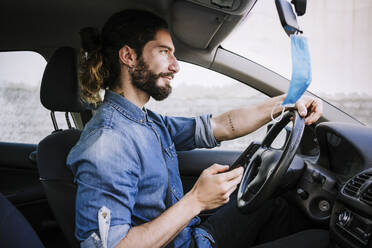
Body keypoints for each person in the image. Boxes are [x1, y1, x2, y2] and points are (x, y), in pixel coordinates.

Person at [66, 9, 324, 248]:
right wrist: (197, 200)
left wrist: (287, 102)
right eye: (164, 52)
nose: (176, 66)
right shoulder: (108, 142)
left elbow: (220, 125)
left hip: (193, 235)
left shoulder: (148, 122)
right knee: (318, 241)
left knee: (274, 206)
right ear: (129, 56)